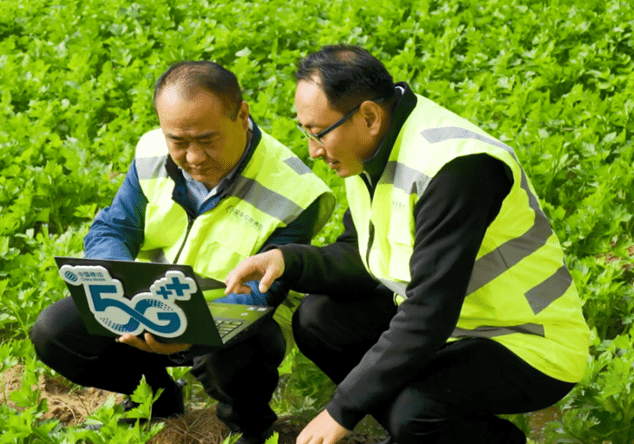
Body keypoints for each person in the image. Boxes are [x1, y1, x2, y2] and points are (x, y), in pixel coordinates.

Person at [225, 44, 590, 444]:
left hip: (525, 340)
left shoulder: (457, 168)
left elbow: (429, 312)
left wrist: (341, 410)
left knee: (415, 413)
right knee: (320, 321)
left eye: (318, 133)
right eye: (305, 131)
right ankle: (424, 433)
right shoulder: (370, 148)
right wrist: (286, 260)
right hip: (453, 324)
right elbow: (364, 256)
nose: (313, 150)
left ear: (369, 116)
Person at [30, 61, 334, 444]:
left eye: (207, 140)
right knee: (54, 332)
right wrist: (120, 285)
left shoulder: (294, 191)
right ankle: (156, 397)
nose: (193, 158)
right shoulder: (152, 152)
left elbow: (263, 293)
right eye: (179, 142)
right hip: (149, 304)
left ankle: (250, 426)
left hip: (239, 320)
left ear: (242, 115)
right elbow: (114, 226)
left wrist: (189, 333)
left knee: (233, 358)